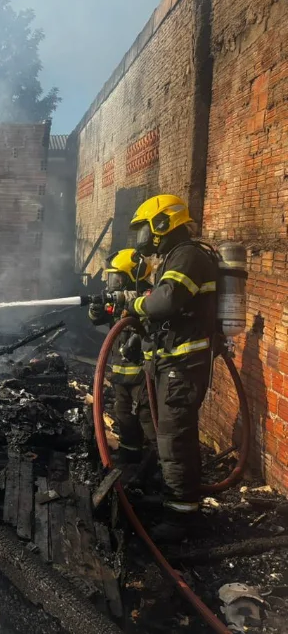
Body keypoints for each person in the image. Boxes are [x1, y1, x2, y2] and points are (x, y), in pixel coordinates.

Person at [124, 193, 218, 543]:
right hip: (169, 360)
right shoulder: (172, 258)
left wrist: (134, 303)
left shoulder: (189, 255)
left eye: (144, 229)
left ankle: (182, 518)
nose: (142, 239)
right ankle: (167, 491)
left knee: (175, 436)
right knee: (166, 432)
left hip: (183, 362)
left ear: (163, 223)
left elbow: (165, 302)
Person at [88, 249, 155, 474]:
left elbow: (154, 325)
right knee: (124, 415)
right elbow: (101, 317)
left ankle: (158, 465)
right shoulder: (119, 298)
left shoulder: (149, 297)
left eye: (116, 278)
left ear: (130, 276)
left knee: (148, 417)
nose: (111, 284)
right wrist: (95, 310)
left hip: (143, 374)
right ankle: (129, 458)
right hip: (120, 373)